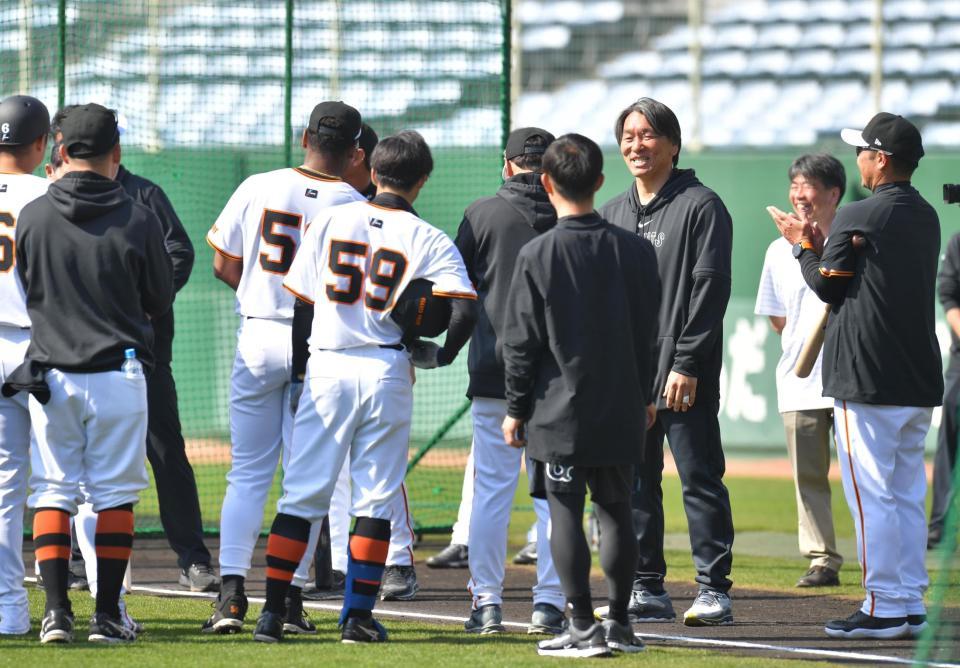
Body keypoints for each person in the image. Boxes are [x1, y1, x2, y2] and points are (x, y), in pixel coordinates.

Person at [252, 130, 477, 644]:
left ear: (372, 171)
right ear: (422, 181)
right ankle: (356, 616)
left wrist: (303, 370)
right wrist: (444, 353)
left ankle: (271, 613)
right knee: (374, 500)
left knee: (302, 495)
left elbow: (303, 304)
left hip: (328, 366)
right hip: (385, 371)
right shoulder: (428, 237)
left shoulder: (332, 219)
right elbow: (463, 306)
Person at [4, 102, 173, 643]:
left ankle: (55, 613)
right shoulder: (139, 215)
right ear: (115, 154)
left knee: (51, 491)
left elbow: (28, 285)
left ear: (60, 150)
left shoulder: (34, 215)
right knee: (113, 497)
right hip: (118, 373)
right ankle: (106, 615)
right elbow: (159, 298)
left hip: (51, 376)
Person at [771, 112, 941, 640]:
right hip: (916, 376)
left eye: (864, 152)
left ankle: (883, 603)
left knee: (871, 493)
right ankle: (910, 598)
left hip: (868, 375)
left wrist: (803, 245)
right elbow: (848, 275)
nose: (859, 160)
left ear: (881, 159)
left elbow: (827, 285)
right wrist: (825, 247)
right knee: (907, 492)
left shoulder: (860, 213)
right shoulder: (928, 213)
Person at [202, 101, 367, 635]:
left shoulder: (258, 185)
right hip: (318, 342)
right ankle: (289, 599)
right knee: (305, 478)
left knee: (248, 471)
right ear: (355, 151)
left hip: (258, 332)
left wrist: (259, 292)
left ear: (304, 137)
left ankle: (230, 595)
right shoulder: (355, 203)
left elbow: (223, 262)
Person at [501, 133, 660, 657]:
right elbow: (650, 333)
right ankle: (619, 623)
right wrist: (646, 395)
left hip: (558, 410)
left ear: (545, 183)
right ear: (599, 181)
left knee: (564, 512)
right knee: (616, 510)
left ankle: (582, 625)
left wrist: (516, 408)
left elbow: (521, 343)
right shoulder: (635, 250)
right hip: (621, 405)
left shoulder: (538, 253)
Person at [48, 106, 216, 593]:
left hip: (143, 354)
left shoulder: (144, 194)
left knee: (166, 453)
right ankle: (77, 562)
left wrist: (142, 306)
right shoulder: (53, 199)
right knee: (74, 466)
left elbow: (178, 253)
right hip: (74, 352)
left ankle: (193, 559)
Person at [597, 97, 735, 626]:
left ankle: (713, 590)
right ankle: (647, 585)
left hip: (683, 376)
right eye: (628, 135)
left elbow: (710, 289)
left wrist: (687, 362)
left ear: (673, 145)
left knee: (699, 478)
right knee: (634, 481)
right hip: (627, 378)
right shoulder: (610, 212)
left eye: (648, 134)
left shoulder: (702, 205)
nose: (636, 144)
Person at [453, 126, 564, 635]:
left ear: (507, 164)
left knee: (491, 493)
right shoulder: (575, 213)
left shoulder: (482, 213)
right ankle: (549, 604)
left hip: (495, 372)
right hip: (558, 380)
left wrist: (443, 349)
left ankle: (488, 603)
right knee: (554, 496)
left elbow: (458, 295)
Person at [307, 121, 421, 603]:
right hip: (361, 357)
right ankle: (352, 576)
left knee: (345, 476)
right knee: (361, 475)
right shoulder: (355, 214)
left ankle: (390, 561)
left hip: (346, 356)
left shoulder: (346, 215)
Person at [755, 154, 846, 587]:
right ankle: (822, 558)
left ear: (834, 193)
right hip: (799, 380)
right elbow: (776, 317)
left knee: (864, 475)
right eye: (794, 185)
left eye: (808, 186)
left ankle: (879, 559)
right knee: (808, 477)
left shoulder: (851, 239)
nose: (798, 195)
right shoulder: (777, 251)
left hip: (850, 378)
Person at [0, 94, 50, 637]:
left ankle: (9, 610)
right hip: (41, 347)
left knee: (4, 485)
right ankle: (106, 609)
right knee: (65, 482)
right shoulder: (51, 193)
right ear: (42, 144)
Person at [929, 231, 960, 550]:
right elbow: (949, 296)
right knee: (950, 440)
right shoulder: (958, 242)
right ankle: (939, 523)